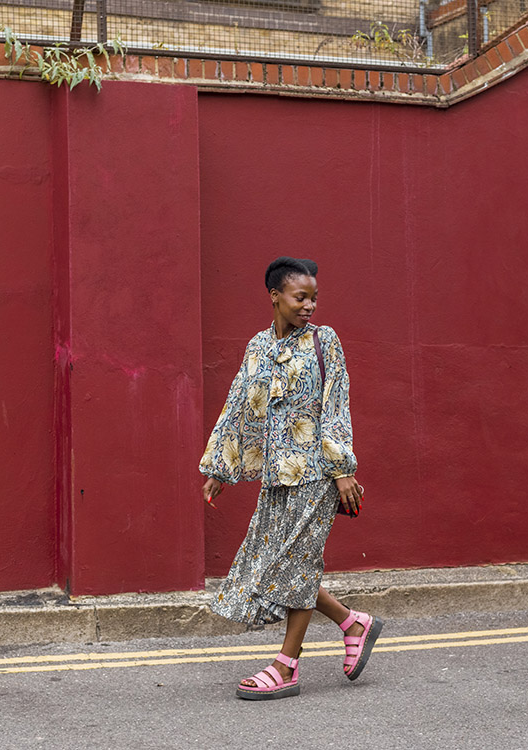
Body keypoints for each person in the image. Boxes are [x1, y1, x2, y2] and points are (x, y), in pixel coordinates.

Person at [199, 256, 382, 701]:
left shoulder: (325, 341)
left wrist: (343, 471)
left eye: (314, 298)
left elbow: (336, 407)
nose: (309, 306)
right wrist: (221, 469)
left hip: (317, 473)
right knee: (276, 565)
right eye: (301, 297)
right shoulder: (257, 347)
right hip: (277, 479)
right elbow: (238, 407)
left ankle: (286, 666)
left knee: (295, 565)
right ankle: (353, 622)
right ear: (275, 296)